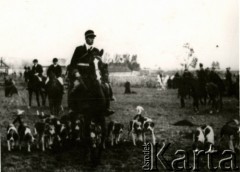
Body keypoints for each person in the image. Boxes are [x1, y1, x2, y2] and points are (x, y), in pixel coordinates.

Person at [68, 30, 114, 116]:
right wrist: (76, 72)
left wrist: (101, 65)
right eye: (90, 37)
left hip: (92, 77)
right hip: (80, 76)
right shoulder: (79, 49)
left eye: (93, 38)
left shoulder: (96, 50)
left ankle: (106, 108)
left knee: (105, 88)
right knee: (73, 88)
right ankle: (71, 108)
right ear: (86, 38)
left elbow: (99, 64)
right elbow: (72, 64)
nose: (92, 39)